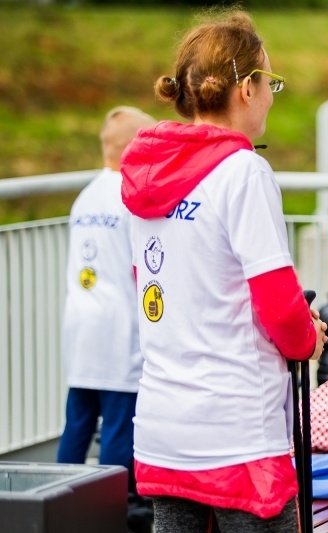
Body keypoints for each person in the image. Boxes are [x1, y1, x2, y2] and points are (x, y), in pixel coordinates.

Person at [119, 9, 327, 533]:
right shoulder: (243, 172)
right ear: (246, 91)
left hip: (164, 427)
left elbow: (146, 284)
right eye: (270, 81)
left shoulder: (145, 172)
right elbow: (280, 305)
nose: (273, 95)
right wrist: (309, 340)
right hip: (238, 431)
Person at [57, 105, 157, 530]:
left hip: (81, 328)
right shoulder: (131, 196)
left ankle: (57, 504)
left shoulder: (86, 197)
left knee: (77, 424)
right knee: (119, 426)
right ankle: (112, 513)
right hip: (121, 330)